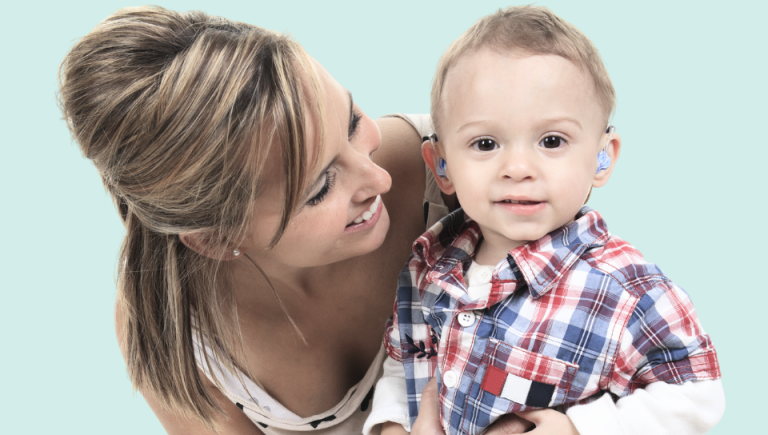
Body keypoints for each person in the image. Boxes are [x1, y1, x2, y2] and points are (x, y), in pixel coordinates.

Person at [58, 6, 558, 435]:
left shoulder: (462, 169)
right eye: (320, 187)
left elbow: (619, 320)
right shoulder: (171, 330)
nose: (378, 178)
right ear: (217, 238)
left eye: (353, 122)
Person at [366, 6, 725, 435]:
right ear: (442, 166)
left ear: (601, 156)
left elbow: (697, 395)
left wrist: (580, 428)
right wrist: (390, 426)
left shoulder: (625, 289)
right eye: (485, 143)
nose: (518, 167)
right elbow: (405, 361)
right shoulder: (428, 266)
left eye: (551, 141)